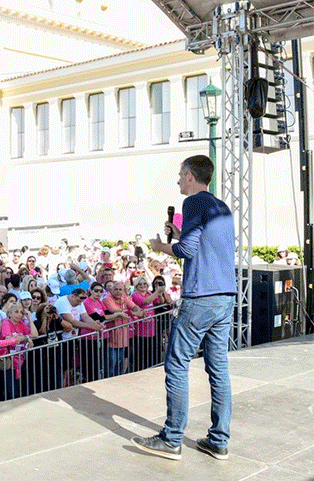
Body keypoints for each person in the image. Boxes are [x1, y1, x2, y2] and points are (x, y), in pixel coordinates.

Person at [133, 155, 236, 461]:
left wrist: (160, 246)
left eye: (180, 174)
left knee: (177, 364)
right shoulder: (222, 207)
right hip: (225, 296)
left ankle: (172, 438)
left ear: (191, 176)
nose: (178, 180)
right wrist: (178, 234)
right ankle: (219, 440)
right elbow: (205, 247)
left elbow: (187, 250)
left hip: (200, 297)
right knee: (218, 368)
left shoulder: (193, 204)